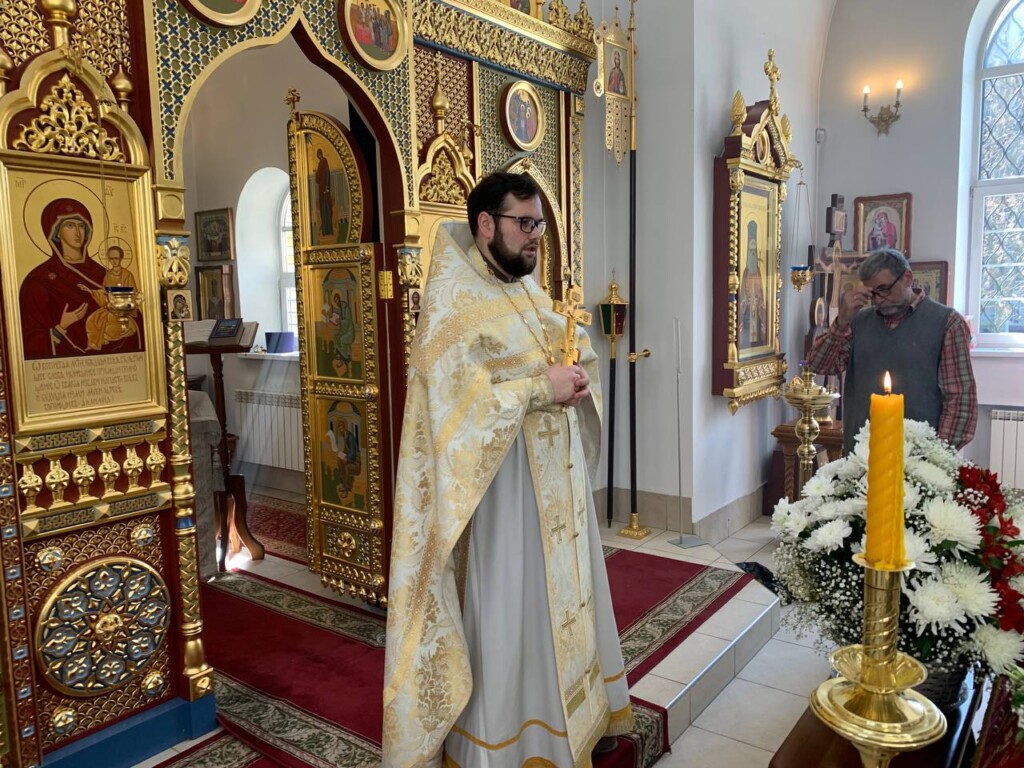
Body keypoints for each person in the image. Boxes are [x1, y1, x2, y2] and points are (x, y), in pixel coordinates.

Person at [383, 173, 632, 768]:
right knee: (512, 615)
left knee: (562, 608)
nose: (536, 236)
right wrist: (540, 389)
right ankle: (514, 744)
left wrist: (576, 371)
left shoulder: (525, 290)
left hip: (556, 493)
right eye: (524, 223)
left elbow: (560, 353)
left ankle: (577, 718)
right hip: (501, 502)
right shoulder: (452, 306)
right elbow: (453, 408)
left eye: (539, 224)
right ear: (486, 224)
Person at [806, 248, 977, 455]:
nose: (878, 300)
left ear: (907, 278)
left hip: (919, 455)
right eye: (871, 294)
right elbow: (819, 365)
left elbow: (960, 400)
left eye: (884, 289)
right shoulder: (859, 321)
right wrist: (841, 321)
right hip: (862, 452)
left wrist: (936, 456)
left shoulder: (947, 323)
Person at [19, 198, 141, 359]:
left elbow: (134, 315)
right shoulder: (39, 280)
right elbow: (30, 341)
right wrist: (61, 327)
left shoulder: (106, 274)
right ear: (56, 231)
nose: (78, 232)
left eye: (82, 226)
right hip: (66, 368)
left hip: (118, 362)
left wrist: (129, 324)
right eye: (70, 225)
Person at [315, 148, 334, 238]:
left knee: (327, 208)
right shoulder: (320, 163)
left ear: (320, 154)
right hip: (321, 189)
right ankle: (325, 230)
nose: (318, 157)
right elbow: (318, 179)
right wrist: (316, 173)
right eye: (318, 156)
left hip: (325, 189)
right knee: (323, 209)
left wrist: (326, 186)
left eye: (319, 155)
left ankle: (329, 230)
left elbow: (326, 173)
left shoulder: (324, 161)